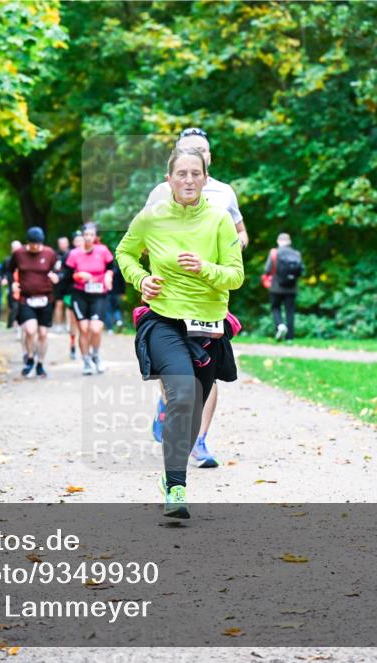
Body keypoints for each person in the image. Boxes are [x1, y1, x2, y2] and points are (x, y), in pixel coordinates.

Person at [116, 147, 244, 518]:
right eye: (181, 174)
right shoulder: (151, 218)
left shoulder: (219, 220)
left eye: (195, 174)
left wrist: (205, 267)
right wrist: (142, 279)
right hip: (164, 320)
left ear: (206, 179)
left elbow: (235, 276)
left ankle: (175, 469)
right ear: (169, 179)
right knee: (182, 393)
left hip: (207, 326)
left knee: (192, 410)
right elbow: (124, 254)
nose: (188, 180)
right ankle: (176, 486)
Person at [145, 128, 247, 468]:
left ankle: (199, 441)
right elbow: (142, 238)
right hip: (170, 294)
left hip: (210, 290)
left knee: (209, 367)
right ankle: (171, 404)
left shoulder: (224, 193)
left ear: (209, 158)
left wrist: (231, 248)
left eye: (200, 151)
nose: (194, 156)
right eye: (186, 151)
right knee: (173, 368)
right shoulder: (162, 192)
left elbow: (240, 233)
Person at [7, 227, 60, 378]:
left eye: (38, 244)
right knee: (30, 331)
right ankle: (30, 358)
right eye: (32, 244)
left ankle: (40, 364)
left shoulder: (50, 253)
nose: (35, 247)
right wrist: (12, 283)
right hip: (26, 298)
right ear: (27, 242)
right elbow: (9, 270)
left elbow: (59, 270)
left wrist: (57, 277)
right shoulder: (19, 254)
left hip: (46, 299)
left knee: (43, 333)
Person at [64, 222, 114, 374]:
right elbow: (66, 277)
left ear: (96, 237)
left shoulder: (103, 251)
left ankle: (96, 356)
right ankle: (86, 362)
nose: (88, 237)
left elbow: (112, 268)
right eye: (86, 235)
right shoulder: (74, 254)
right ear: (82, 236)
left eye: (92, 235)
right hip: (80, 295)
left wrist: (108, 276)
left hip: (99, 294)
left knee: (96, 328)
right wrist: (78, 275)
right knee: (84, 330)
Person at [264, 232, 303, 341]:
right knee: (290, 311)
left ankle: (280, 325)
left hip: (276, 287)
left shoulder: (274, 252)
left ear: (278, 241)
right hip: (292, 288)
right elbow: (300, 271)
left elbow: (267, 269)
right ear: (289, 241)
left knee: (275, 307)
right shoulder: (296, 253)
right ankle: (290, 338)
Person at [64, 231, 84, 360]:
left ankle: (86, 348)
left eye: (80, 241)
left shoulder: (91, 254)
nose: (79, 244)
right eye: (76, 241)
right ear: (73, 243)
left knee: (84, 323)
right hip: (71, 292)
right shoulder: (68, 256)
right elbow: (64, 276)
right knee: (73, 321)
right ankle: (72, 344)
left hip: (88, 294)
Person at [52, 236, 72, 333]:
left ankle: (68, 325)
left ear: (68, 243)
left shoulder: (72, 253)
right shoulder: (55, 255)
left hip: (69, 284)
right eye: (61, 243)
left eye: (65, 243)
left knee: (69, 305)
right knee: (59, 304)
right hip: (58, 285)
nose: (63, 245)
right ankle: (58, 325)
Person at [3, 240, 21, 330]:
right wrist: (4, 279)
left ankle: (18, 324)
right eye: (14, 248)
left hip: (24, 287)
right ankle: (12, 324)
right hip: (11, 287)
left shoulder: (25, 259)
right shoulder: (7, 261)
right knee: (13, 306)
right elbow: (3, 273)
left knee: (19, 306)